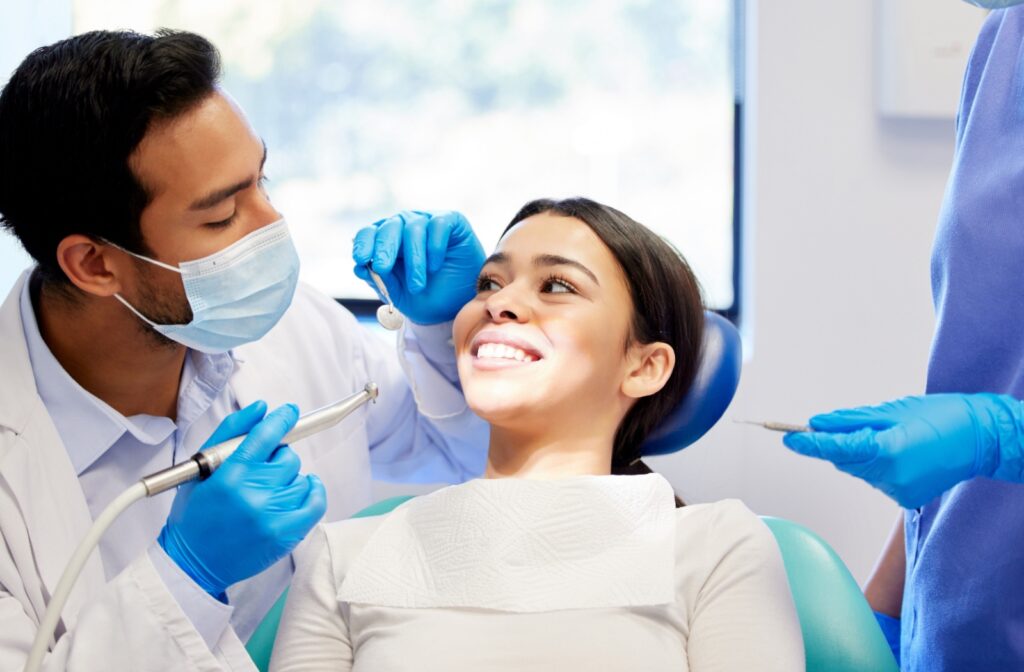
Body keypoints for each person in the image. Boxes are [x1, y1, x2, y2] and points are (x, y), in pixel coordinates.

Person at [0, 30, 489, 670]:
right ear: (94, 264)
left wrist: (451, 329)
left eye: (262, 181)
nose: (273, 227)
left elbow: (456, 453)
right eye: (221, 216)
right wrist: (185, 578)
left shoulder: (293, 326)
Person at [270, 197, 805, 672]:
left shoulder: (715, 546)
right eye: (489, 283)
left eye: (557, 285)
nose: (496, 304)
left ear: (644, 367)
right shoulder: (343, 554)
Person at [781, 3, 1024, 669]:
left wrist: (998, 435)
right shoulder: (1003, 45)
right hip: (955, 625)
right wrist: (882, 619)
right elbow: (985, 364)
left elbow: (984, 422)